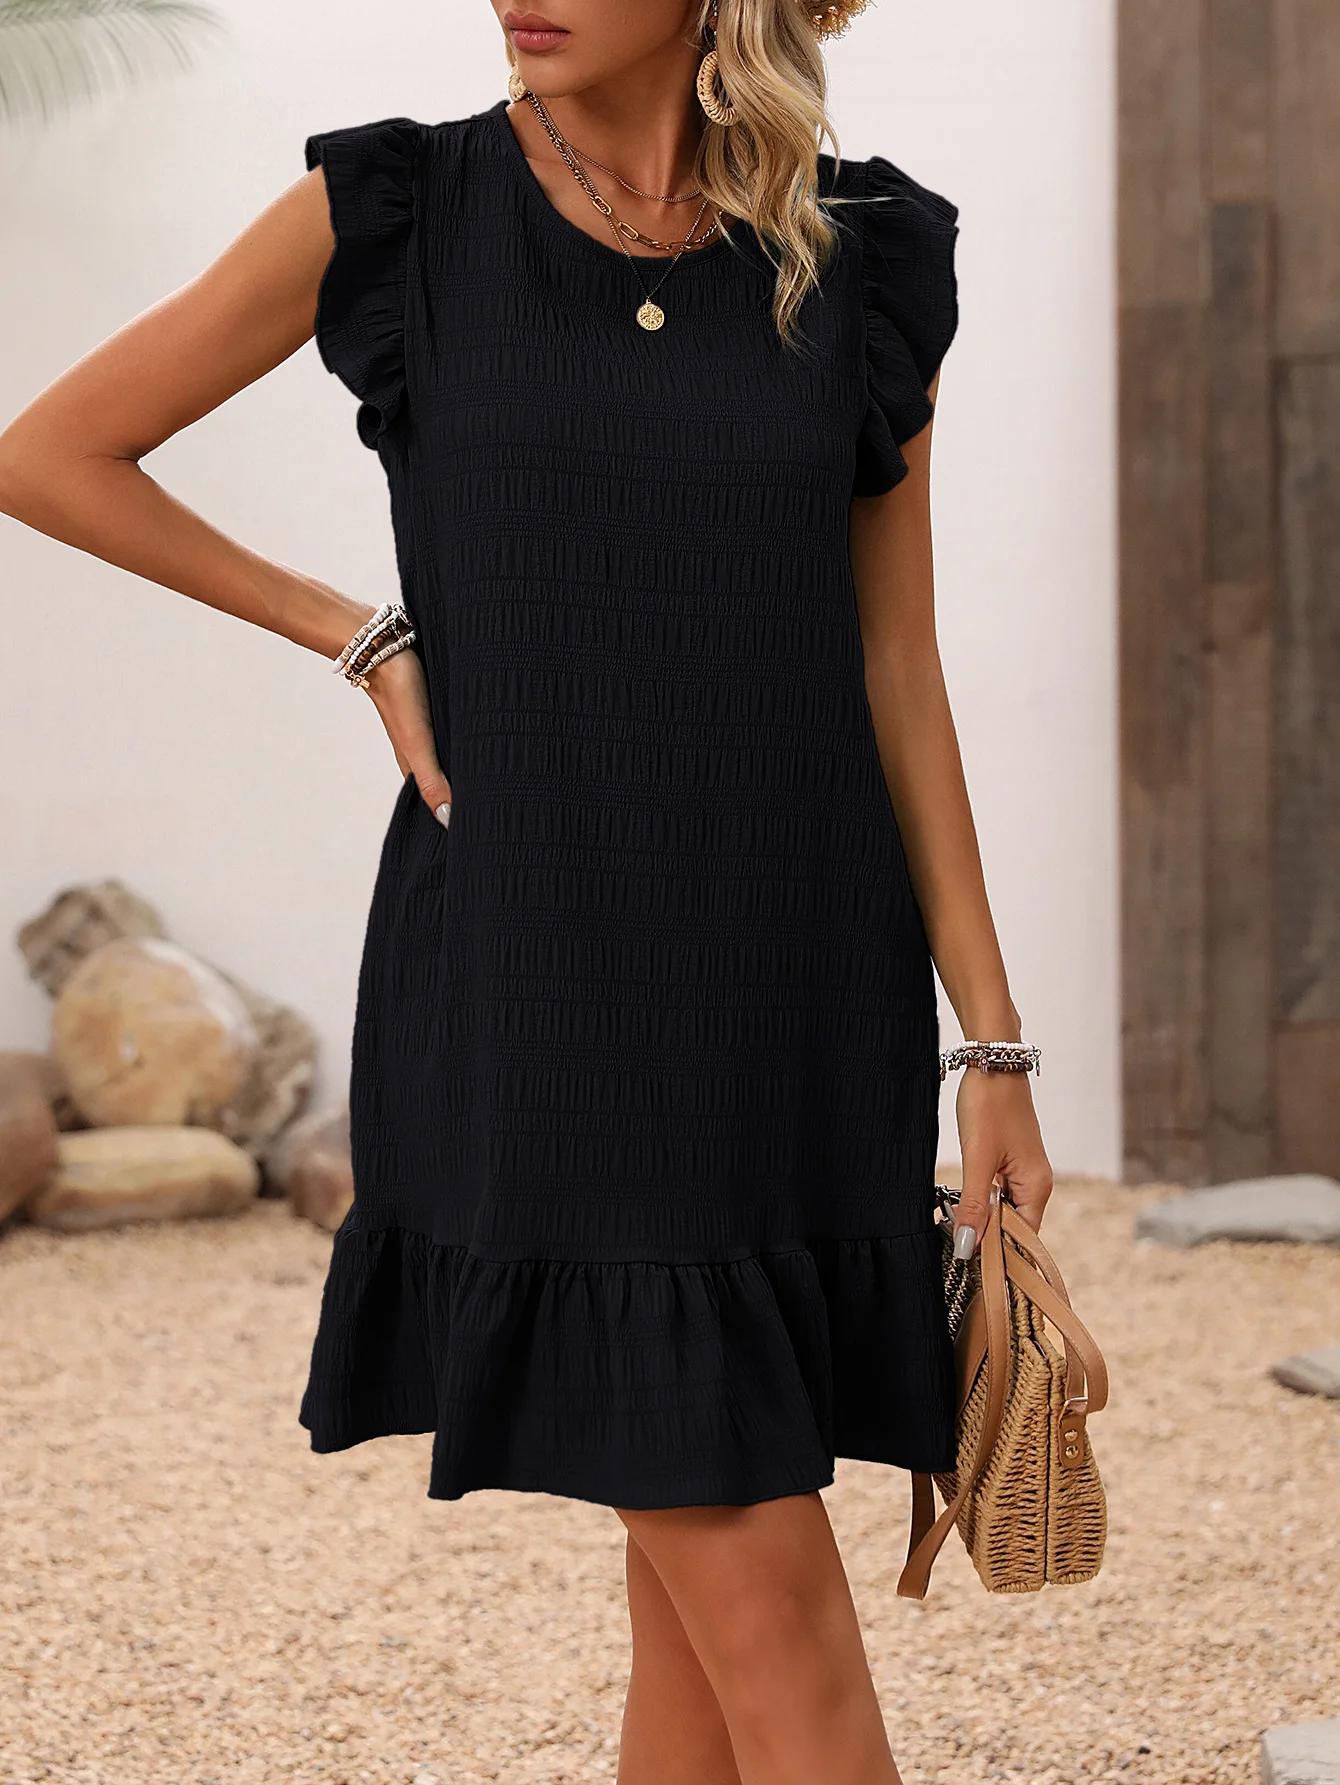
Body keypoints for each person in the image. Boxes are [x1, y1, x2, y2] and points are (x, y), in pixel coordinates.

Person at [0, 3, 1055, 1779]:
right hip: (545, 991)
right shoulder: (399, 213)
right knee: (770, 1605)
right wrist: (356, 632)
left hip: (791, 992)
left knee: (694, 1618)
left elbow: (897, 666)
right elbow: (49, 452)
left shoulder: (859, 256)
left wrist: (994, 1042)